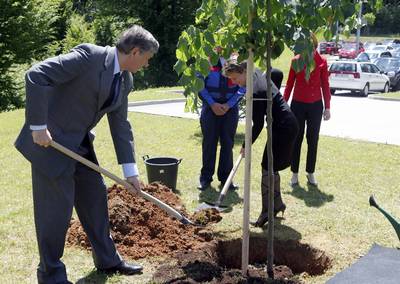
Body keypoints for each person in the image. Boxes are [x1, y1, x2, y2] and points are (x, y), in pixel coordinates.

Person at [14, 25, 159, 283]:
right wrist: (38, 126)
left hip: (79, 145)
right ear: (135, 51)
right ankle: (51, 275)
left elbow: (121, 125)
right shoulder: (88, 57)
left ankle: (107, 259)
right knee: (55, 213)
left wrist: (131, 172)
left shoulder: (125, 80)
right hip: (51, 144)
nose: (146, 65)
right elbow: (36, 74)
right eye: (147, 59)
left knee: (95, 198)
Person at [223, 60, 299, 227]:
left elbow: (257, 125)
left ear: (244, 71)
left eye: (236, 78)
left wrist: (246, 145)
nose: (234, 83)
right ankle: (277, 204)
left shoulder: (256, 90)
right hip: (286, 123)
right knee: (271, 167)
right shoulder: (256, 73)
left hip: (284, 126)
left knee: (267, 167)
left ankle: (267, 211)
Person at [283, 33, 331, 186]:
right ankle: (294, 174)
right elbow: (289, 84)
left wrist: (328, 107)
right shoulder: (296, 61)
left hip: (316, 105)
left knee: (313, 139)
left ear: (315, 47)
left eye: (311, 48)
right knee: (297, 138)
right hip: (298, 104)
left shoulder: (322, 62)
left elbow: (325, 85)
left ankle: (310, 173)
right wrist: (283, 104)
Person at [197, 56, 243, 191]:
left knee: (228, 144)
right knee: (209, 143)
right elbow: (199, 85)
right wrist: (212, 104)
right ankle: (205, 178)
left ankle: (226, 179)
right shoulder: (206, 60)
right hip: (210, 108)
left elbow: (243, 87)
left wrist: (229, 105)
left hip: (230, 109)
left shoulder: (237, 61)